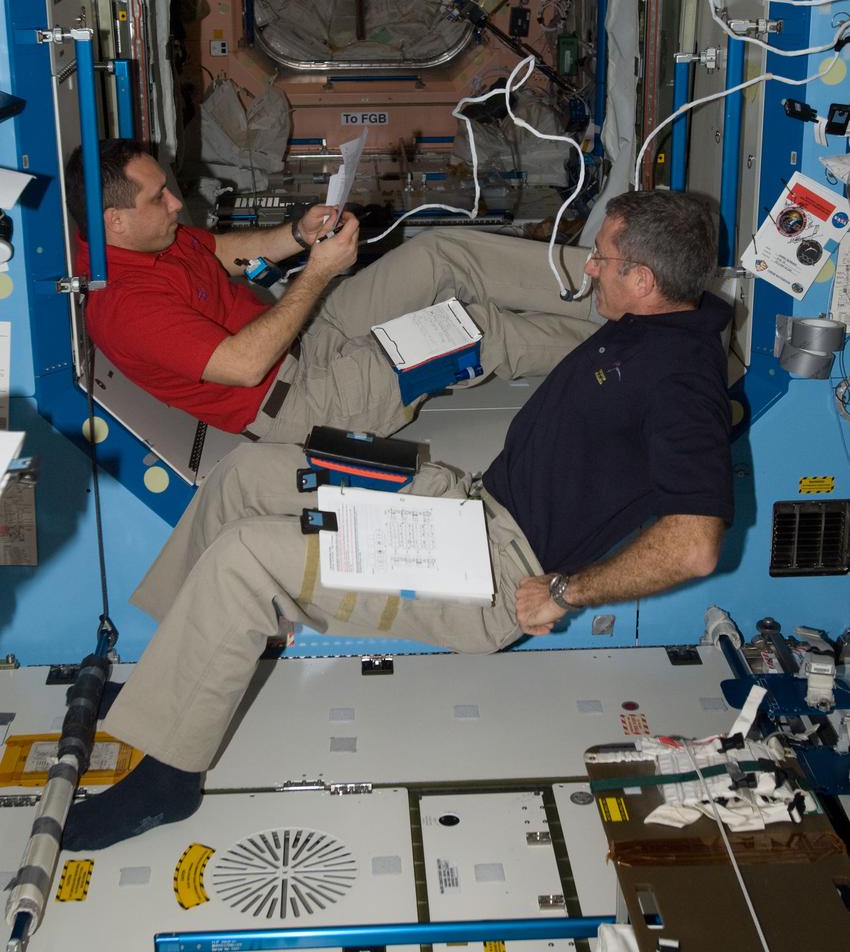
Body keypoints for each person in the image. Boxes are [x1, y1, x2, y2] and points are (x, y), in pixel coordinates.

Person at [62, 189, 734, 852]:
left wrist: (565, 591)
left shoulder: (680, 383)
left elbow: (696, 545)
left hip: (492, 574)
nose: (585, 268)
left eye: (602, 260)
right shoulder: (650, 323)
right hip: (460, 501)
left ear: (642, 280)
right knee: (244, 475)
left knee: (246, 558)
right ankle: (178, 668)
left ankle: (169, 779)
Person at [64, 140, 595, 442]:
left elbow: (222, 253)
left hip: (306, 339)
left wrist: (297, 235)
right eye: (160, 198)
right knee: (476, 330)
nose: (178, 205)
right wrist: (318, 272)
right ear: (115, 221)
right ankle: (634, 346)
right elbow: (245, 365)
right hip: (300, 401)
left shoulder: (156, 239)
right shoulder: (123, 307)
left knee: (443, 252)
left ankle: (608, 286)